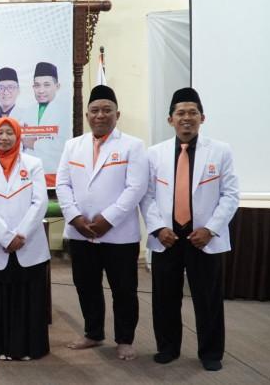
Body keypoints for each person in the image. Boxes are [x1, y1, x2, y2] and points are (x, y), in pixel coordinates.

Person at [140, 87, 239, 371]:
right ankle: (167, 347)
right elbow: (147, 196)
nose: (186, 118)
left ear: (202, 118)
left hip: (203, 238)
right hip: (168, 238)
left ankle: (211, 352)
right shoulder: (154, 153)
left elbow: (230, 195)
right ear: (170, 119)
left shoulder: (220, 151)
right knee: (164, 298)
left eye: (192, 113)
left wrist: (210, 229)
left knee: (208, 298)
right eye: (180, 113)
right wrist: (158, 228)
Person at [55, 85, 148, 361]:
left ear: (117, 114)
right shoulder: (73, 145)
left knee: (124, 289)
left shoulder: (133, 145)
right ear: (87, 115)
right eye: (95, 110)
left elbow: (136, 187)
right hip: (81, 232)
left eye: (107, 110)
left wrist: (108, 219)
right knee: (86, 286)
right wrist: (75, 217)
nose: (100, 115)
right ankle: (93, 333)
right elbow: (62, 184)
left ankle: (125, 339)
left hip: (119, 234)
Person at [0, 117, 50, 361]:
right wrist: (6, 237)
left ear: (18, 136)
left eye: (9, 133)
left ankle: (28, 348)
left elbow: (40, 202)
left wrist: (20, 235)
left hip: (28, 243)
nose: (4, 138)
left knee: (28, 298)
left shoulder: (34, 164)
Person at [21, 62, 69, 184]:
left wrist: (33, 143)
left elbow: (63, 145)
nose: (41, 90)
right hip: (28, 174)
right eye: (37, 85)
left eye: (47, 85)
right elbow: (21, 141)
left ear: (57, 86)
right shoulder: (28, 111)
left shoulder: (66, 111)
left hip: (54, 174)